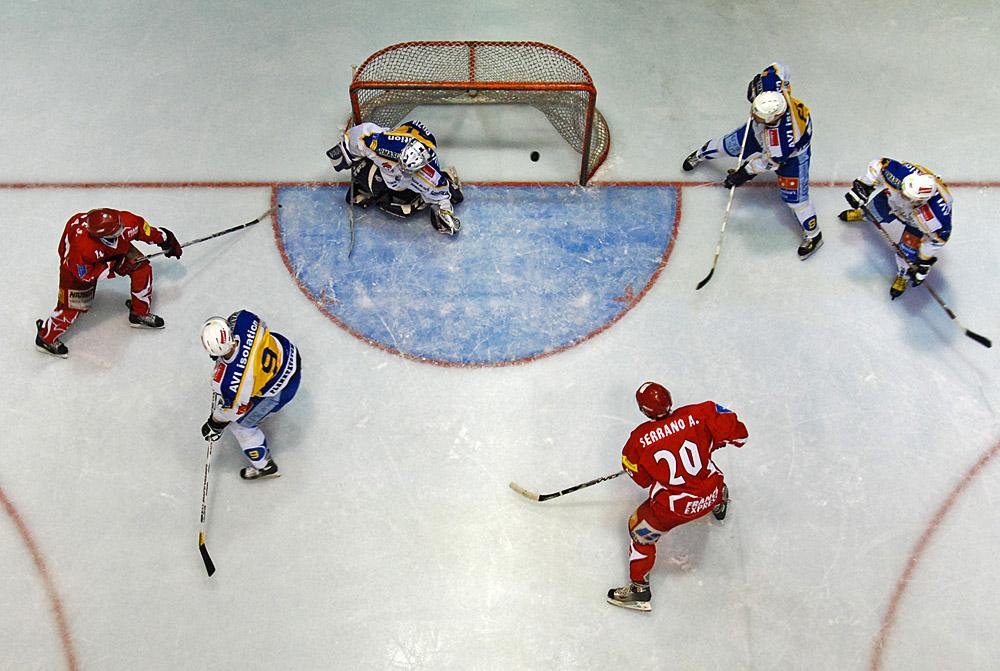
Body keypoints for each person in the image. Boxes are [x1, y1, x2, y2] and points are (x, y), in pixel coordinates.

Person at [607, 382, 748, 612]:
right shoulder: (703, 412)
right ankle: (720, 503)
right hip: (711, 493)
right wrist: (709, 443)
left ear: (644, 411)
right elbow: (740, 435)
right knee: (711, 477)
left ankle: (639, 590)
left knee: (638, 531)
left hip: (673, 510)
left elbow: (644, 481)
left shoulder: (636, 443)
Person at [682, 63, 822, 259]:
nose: (753, 115)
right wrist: (756, 85)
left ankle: (814, 236)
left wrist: (743, 174)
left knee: (796, 200)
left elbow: (767, 162)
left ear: (773, 118)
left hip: (793, 157)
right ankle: (700, 154)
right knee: (728, 144)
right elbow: (778, 67)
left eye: (758, 114)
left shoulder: (780, 142)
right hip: (761, 132)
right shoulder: (775, 89)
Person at [34, 208, 182, 358]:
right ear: (101, 236)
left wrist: (167, 239)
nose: (123, 231)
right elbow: (86, 275)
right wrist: (111, 266)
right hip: (76, 270)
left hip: (112, 254)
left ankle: (140, 313)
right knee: (72, 307)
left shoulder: (126, 222)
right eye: (117, 232)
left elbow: (147, 231)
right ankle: (45, 338)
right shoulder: (81, 249)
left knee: (142, 268)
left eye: (121, 227)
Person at [199, 311, 301, 480]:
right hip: (289, 354)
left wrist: (214, 424)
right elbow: (256, 327)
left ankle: (265, 466)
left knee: (240, 426)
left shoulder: (227, 382)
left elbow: (233, 411)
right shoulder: (244, 319)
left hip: (283, 389)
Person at [326, 119, 465, 235]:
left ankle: (446, 177)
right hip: (400, 142)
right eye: (403, 166)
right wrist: (342, 154)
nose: (404, 171)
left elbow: (441, 196)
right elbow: (360, 136)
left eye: (409, 170)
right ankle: (365, 188)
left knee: (405, 209)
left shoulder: (429, 176)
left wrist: (445, 214)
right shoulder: (383, 146)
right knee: (369, 179)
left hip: (412, 163)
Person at [838, 158, 953, 299]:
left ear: (920, 201)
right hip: (892, 202)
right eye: (904, 191)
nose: (902, 194)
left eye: (907, 196)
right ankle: (865, 214)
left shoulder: (936, 216)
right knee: (873, 212)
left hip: (916, 224)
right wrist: (863, 187)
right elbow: (878, 165)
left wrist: (923, 261)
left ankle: (903, 275)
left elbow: (937, 239)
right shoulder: (900, 176)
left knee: (906, 255)